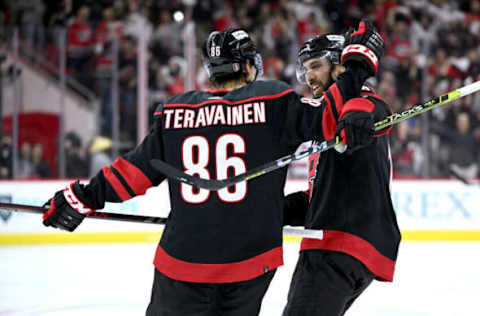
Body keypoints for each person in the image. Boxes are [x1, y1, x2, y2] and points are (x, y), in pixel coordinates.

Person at [41, 27, 383, 316]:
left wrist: (82, 198)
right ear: (249, 67)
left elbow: (131, 172)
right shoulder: (275, 100)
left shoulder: (174, 111)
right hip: (250, 264)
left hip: (181, 261)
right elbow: (330, 117)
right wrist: (356, 63)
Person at [282, 20, 401, 316]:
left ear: (338, 66)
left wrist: (359, 115)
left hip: (336, 244)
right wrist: (261, 212)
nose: (308, 77)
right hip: (344, 243)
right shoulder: (328, 119)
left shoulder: (360, 102)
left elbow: (371, 108)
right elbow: (316, 200)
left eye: (315, 66)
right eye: (305, 69)